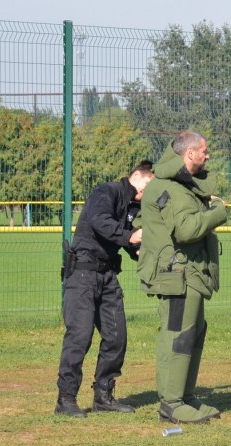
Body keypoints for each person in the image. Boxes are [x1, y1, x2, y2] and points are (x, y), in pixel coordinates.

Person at [136, 131, 227, 424]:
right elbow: (186, 230)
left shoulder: (177, 184)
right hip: (178, 275)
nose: (207, 155)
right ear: (189, 153)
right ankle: (171, 403)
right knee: (178, 336)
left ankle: (185, 397)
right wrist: (218, 213)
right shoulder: (170, 187)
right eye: (204, 151)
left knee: (193, 334)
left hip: (189, 274)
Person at [55, 161, 155, 418]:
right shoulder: (106, 192)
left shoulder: (135, 206)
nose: (148, 191)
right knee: (79, 337)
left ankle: (104, 396)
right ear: (136, 175)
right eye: (148, 184)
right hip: (83, 273)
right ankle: (66, 399)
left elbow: (127, 237)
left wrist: (137, 249)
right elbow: (101, 222)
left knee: (116, 336)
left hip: (108, 275)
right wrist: (130, 237)